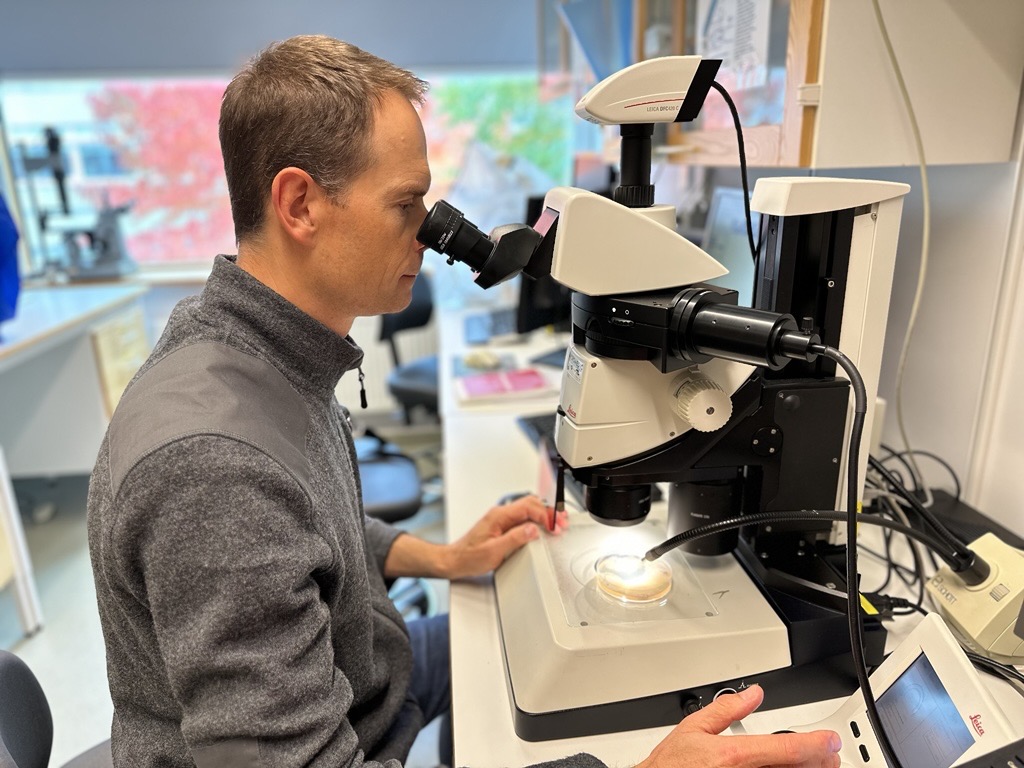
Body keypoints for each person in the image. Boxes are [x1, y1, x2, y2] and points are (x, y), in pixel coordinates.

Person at [87, 34, 842, 768]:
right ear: (300, 204)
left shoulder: (262, 353)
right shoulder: (215, 468)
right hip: (353, 728)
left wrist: (441, 557)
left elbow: (304, 528)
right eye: (406, 203)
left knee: (530, 641)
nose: (428, 232)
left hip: (366, 671)